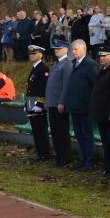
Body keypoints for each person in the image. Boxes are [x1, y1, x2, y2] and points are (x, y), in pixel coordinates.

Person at [63, 39, 98, 170]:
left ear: (84, 49)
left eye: (76, 49)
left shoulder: (90, 65)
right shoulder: (74, 64)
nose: (74, 52)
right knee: (78, 134)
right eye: (73, 49)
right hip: (75, 106)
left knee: (87, 134)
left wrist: (90, 103)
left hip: (85, 106)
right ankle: (82, 159)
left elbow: (95, 85)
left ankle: (90, 160)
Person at [91, 45, 110, 176]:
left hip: (108, 113)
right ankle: (107, 166)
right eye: (100, 56)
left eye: (104, 56)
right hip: (101, 112)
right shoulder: (102, 70)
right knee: (106, 142)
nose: (101, 58)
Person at [46, 38, 74, 167]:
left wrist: (62, 102)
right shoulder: (56, 64)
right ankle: (59, 155)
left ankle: (65, 156)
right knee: (55, 131)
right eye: (55, 49)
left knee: (62, 131)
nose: (56, 51)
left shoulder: (67, 64)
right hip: (52, 102)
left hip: (59, 103)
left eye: (59, 49)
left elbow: (67, 84)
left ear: (66, 50)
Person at [26, 45, 51, 161]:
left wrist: (40, 104)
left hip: (38, 101)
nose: (31, 56)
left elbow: (43, 88)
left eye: (34, 54)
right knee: (35, 128)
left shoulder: (43, 68)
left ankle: (44, 152)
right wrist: (27, 103)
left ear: (40, 55)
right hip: (31, 101)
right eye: (30, 54)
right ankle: (39, 151)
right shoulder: (34, 68)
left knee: (41, 128)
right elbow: (30, 88)